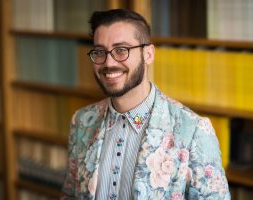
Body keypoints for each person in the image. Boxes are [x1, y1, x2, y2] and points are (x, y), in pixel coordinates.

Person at [60, 9, 230, 200]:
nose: (108, 62)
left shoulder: (194, 131)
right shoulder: (82, 121)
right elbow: (69, 195)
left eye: (121, 50)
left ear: (148, 54)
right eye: (100, 52)